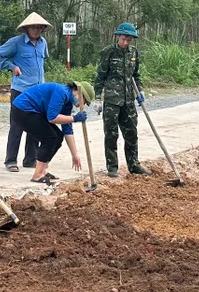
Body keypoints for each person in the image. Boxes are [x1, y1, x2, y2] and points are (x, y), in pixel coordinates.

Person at [0, 12, 51, 173]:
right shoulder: (16, 43)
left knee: (35, 127)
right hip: (21, 91)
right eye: (33, 27)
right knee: (17, 125)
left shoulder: (42, 43)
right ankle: (11, 160)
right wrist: (12, 67)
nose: (36, 30)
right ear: (26, 28)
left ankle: (30, 159)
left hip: (38, 92)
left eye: (39, 27)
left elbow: (41, 62)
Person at [94, 22, 152, 178]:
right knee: (111, 135)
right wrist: (98, 98)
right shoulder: (108, 52)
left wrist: (140, 91)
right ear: (118, 36)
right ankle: (112, 167)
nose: (126, 42)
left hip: (128, 101)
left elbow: (136, 75)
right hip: (112, 101)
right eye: (124, 39)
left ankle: (134, 165)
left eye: (129, 40)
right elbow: (100, 76)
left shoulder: (133, 53)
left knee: (132, 134)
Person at [10, 81, 92, 184]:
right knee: (50, 138)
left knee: (58, 136)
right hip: (22, 110)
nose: (82, 105)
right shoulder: (61, 92)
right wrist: (74, 118)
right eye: (84, 101)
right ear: (79, 93)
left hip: (34, 112)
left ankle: (42, 171)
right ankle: (37, 175)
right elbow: (52, 117)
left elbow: (67, 130)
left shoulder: (67, 104)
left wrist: (75, 155)